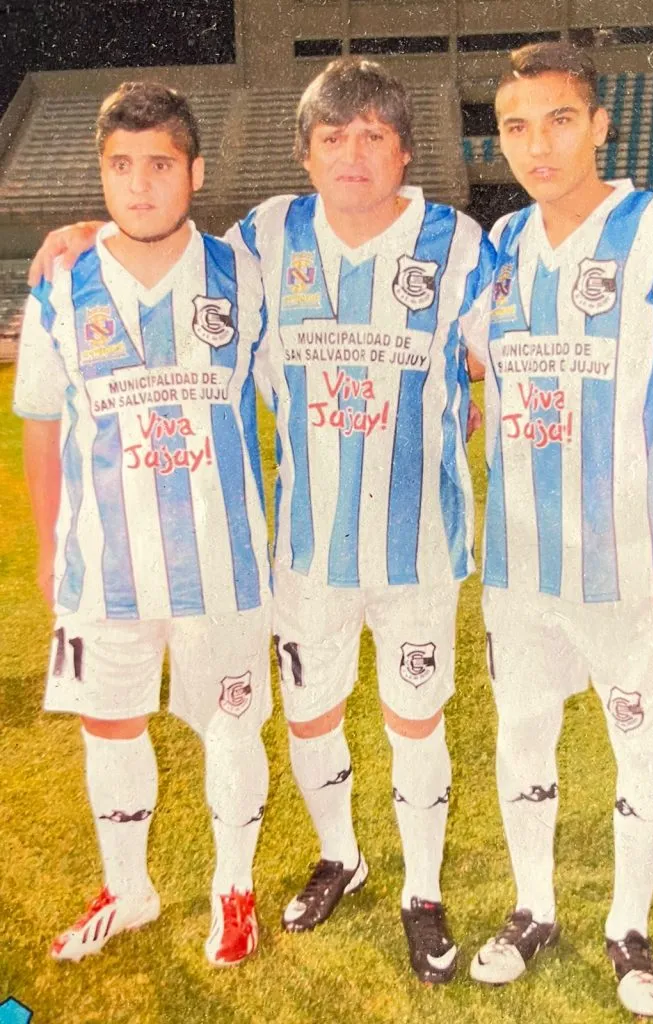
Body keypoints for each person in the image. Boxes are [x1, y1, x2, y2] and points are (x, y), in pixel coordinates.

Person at [30, 59, 492, 983]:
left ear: (405, 149)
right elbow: (147, 243)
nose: (352, 155)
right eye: (332, 138)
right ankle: (338, 857)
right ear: (304, 154)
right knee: (310, 715)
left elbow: (497, 362)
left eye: (372, 137)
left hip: (418, 548)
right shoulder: (266, 241)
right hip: (303, 553)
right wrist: (82, 231)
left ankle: (423, 893)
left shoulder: (462, 243)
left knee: (415, 718)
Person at [471, 43, 653, 1017]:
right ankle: (533, 907)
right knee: (523, 743)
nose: (537, 144)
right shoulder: (497, 250)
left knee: (641, 747)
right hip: (522, 570)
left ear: (598, 124)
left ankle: (629, 926)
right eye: (515, 126)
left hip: (636, 565)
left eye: (557, 120)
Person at [15, 82, 273, 967]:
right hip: (105, 566)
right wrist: (49, 549)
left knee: (233, 726)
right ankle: (129, 889)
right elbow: (42, 425)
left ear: (194, 172)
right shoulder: (59, 284)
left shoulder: (247, 275)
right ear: (100, 175)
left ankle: (232, 890)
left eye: (159, 164)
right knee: (109, 726)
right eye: (120, 167)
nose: (139, 185)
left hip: (225, 565)